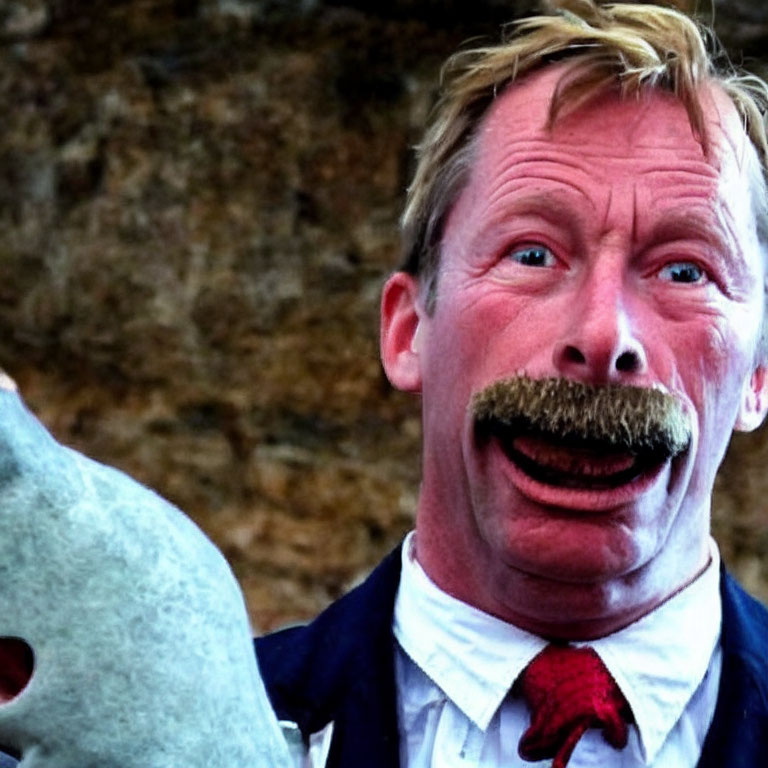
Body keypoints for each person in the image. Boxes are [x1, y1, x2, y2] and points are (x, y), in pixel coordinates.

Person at [255, 1, 768, 767]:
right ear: (408, 330)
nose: (603, 337)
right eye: (532, 254)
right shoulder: (185, 732)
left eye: (685, 270)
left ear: (760, 372)